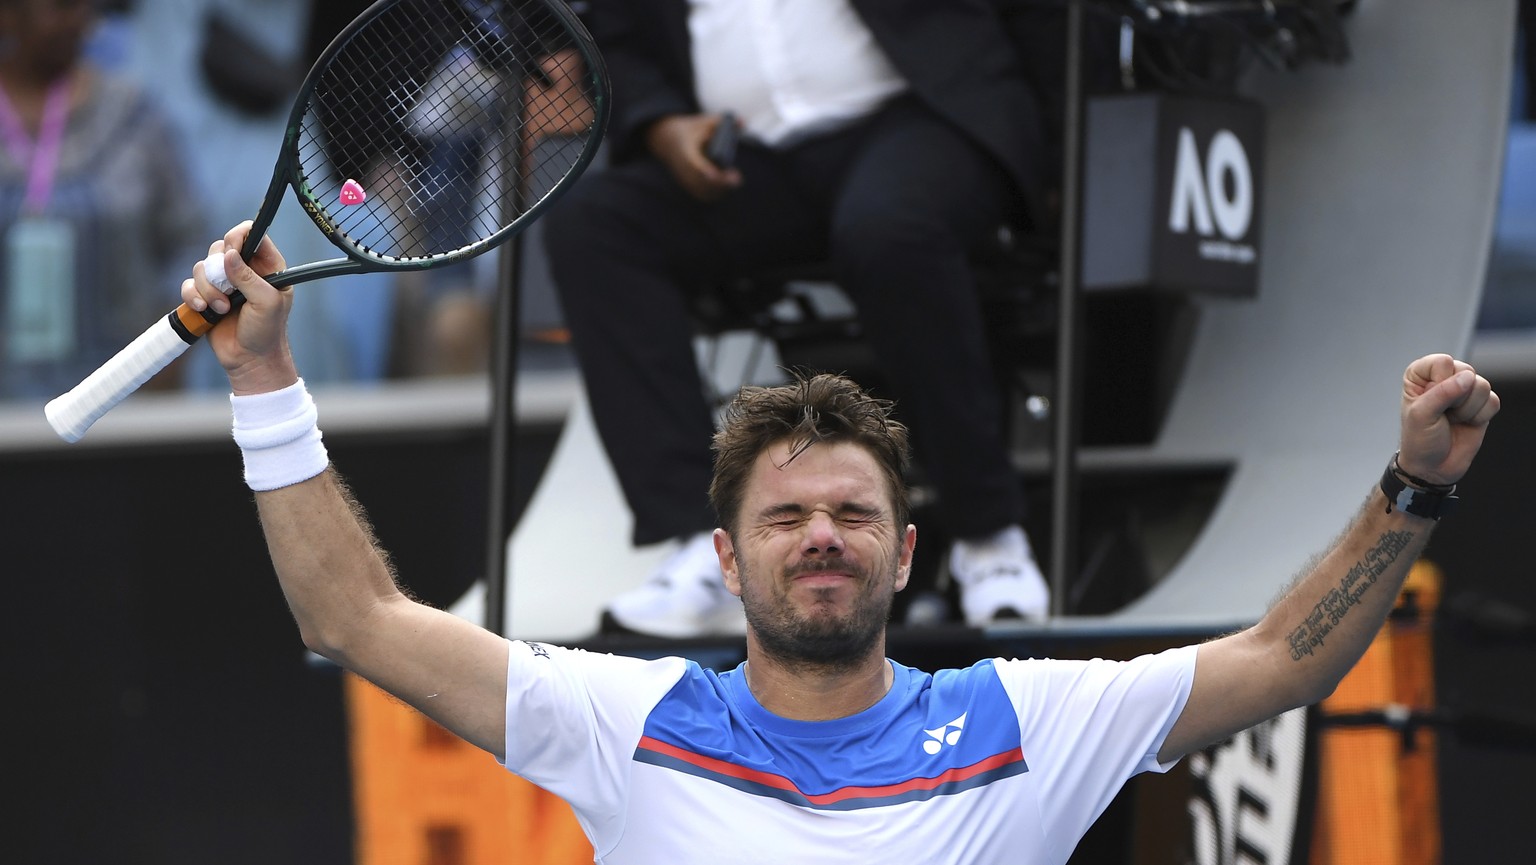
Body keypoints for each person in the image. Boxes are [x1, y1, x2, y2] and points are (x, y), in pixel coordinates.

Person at [183, 222, 1498, 864]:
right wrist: (261, 377)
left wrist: (1413, 489)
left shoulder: (1024, 721)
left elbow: (1281, 660)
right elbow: (349, 616)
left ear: (907, 551)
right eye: (787, 516)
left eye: (853, 513)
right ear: (726, 556)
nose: (821, 537)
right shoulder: (619, 717)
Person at [540, 0, 1054, 635]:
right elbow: (621, 31)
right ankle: (704, 548)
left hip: (920, 117)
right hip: (748, 156)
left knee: (889, 231)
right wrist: (661, 124)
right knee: (593, 228)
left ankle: (990, 537)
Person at [0, 0, 207, 399]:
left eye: (84, 7)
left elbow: (189, 240)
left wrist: (168, 348)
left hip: (122, 398)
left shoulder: (133, 115)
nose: (79, 21)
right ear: (8, 14)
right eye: (60, 7)